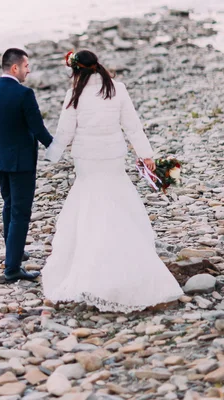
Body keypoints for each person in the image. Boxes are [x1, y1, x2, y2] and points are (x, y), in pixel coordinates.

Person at [42, 50, 183, 312]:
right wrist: (146, 155)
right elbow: (132, 126)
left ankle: (89, 268)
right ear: (97, 66)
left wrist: (51, 155)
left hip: (87, 161)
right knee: (118, 205)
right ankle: (129, 264)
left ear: (76, 70)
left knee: (88, 209)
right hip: (113, 158)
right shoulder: (116, 88)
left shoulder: (75, 94)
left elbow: (64, 131)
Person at [0, 48, 53, 282]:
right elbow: (38, 129)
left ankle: (14, 250)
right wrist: (58, 147)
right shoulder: (24, 94)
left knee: (9, 204)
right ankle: (12, 268)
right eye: (26, 65)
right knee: (20, 211)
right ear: (15, 67)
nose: (29, 70)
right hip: (21, 162)